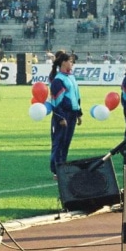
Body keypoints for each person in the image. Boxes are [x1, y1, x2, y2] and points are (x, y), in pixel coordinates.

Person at [48, 50, 81, 180]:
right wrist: (60, 117)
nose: (72, 63)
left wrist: (78, 113)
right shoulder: (58, 80)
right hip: (63, 115)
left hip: (72, 114)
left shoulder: (71, 77)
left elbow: (76, 96)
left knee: (66, 142)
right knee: (59, 143)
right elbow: (56, 101)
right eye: (70, 61)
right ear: (63, 62)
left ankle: (63, 167)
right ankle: (56, 170)